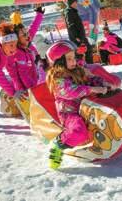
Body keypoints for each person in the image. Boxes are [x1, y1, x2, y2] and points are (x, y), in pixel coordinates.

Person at [46, 40, 117, 169]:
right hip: (70, 114)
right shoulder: (58, 80)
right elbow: (71, 91)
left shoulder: (77, 70)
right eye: (69, 59)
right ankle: (58, 145)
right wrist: (92, 89)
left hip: (87, 107)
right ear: (59, 62)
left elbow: (90, 79)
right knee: (79, 132)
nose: (74, 61)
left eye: (73, 57)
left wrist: (102, 83)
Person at [6, 5, 45, 91]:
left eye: (27, 33)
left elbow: (34, 27)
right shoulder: (16, 53)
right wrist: (32, 89)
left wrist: (39, 14)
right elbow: (20, 76)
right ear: (16, 39)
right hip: (25, 88)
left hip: (35, 75)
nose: (28, 36)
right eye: (24, 34)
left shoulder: (26, 41)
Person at [64, 0, 93, 64]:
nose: (76, 4)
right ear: (71, 3)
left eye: (76, 2)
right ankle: (79, 69)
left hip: (81, 36)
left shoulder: (74, 11)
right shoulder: (69, 12)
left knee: (87, 50)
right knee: (79, 53)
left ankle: (90, 66)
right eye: (75, 3)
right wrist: (75, 37)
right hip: (77, 37)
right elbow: (70, 25)